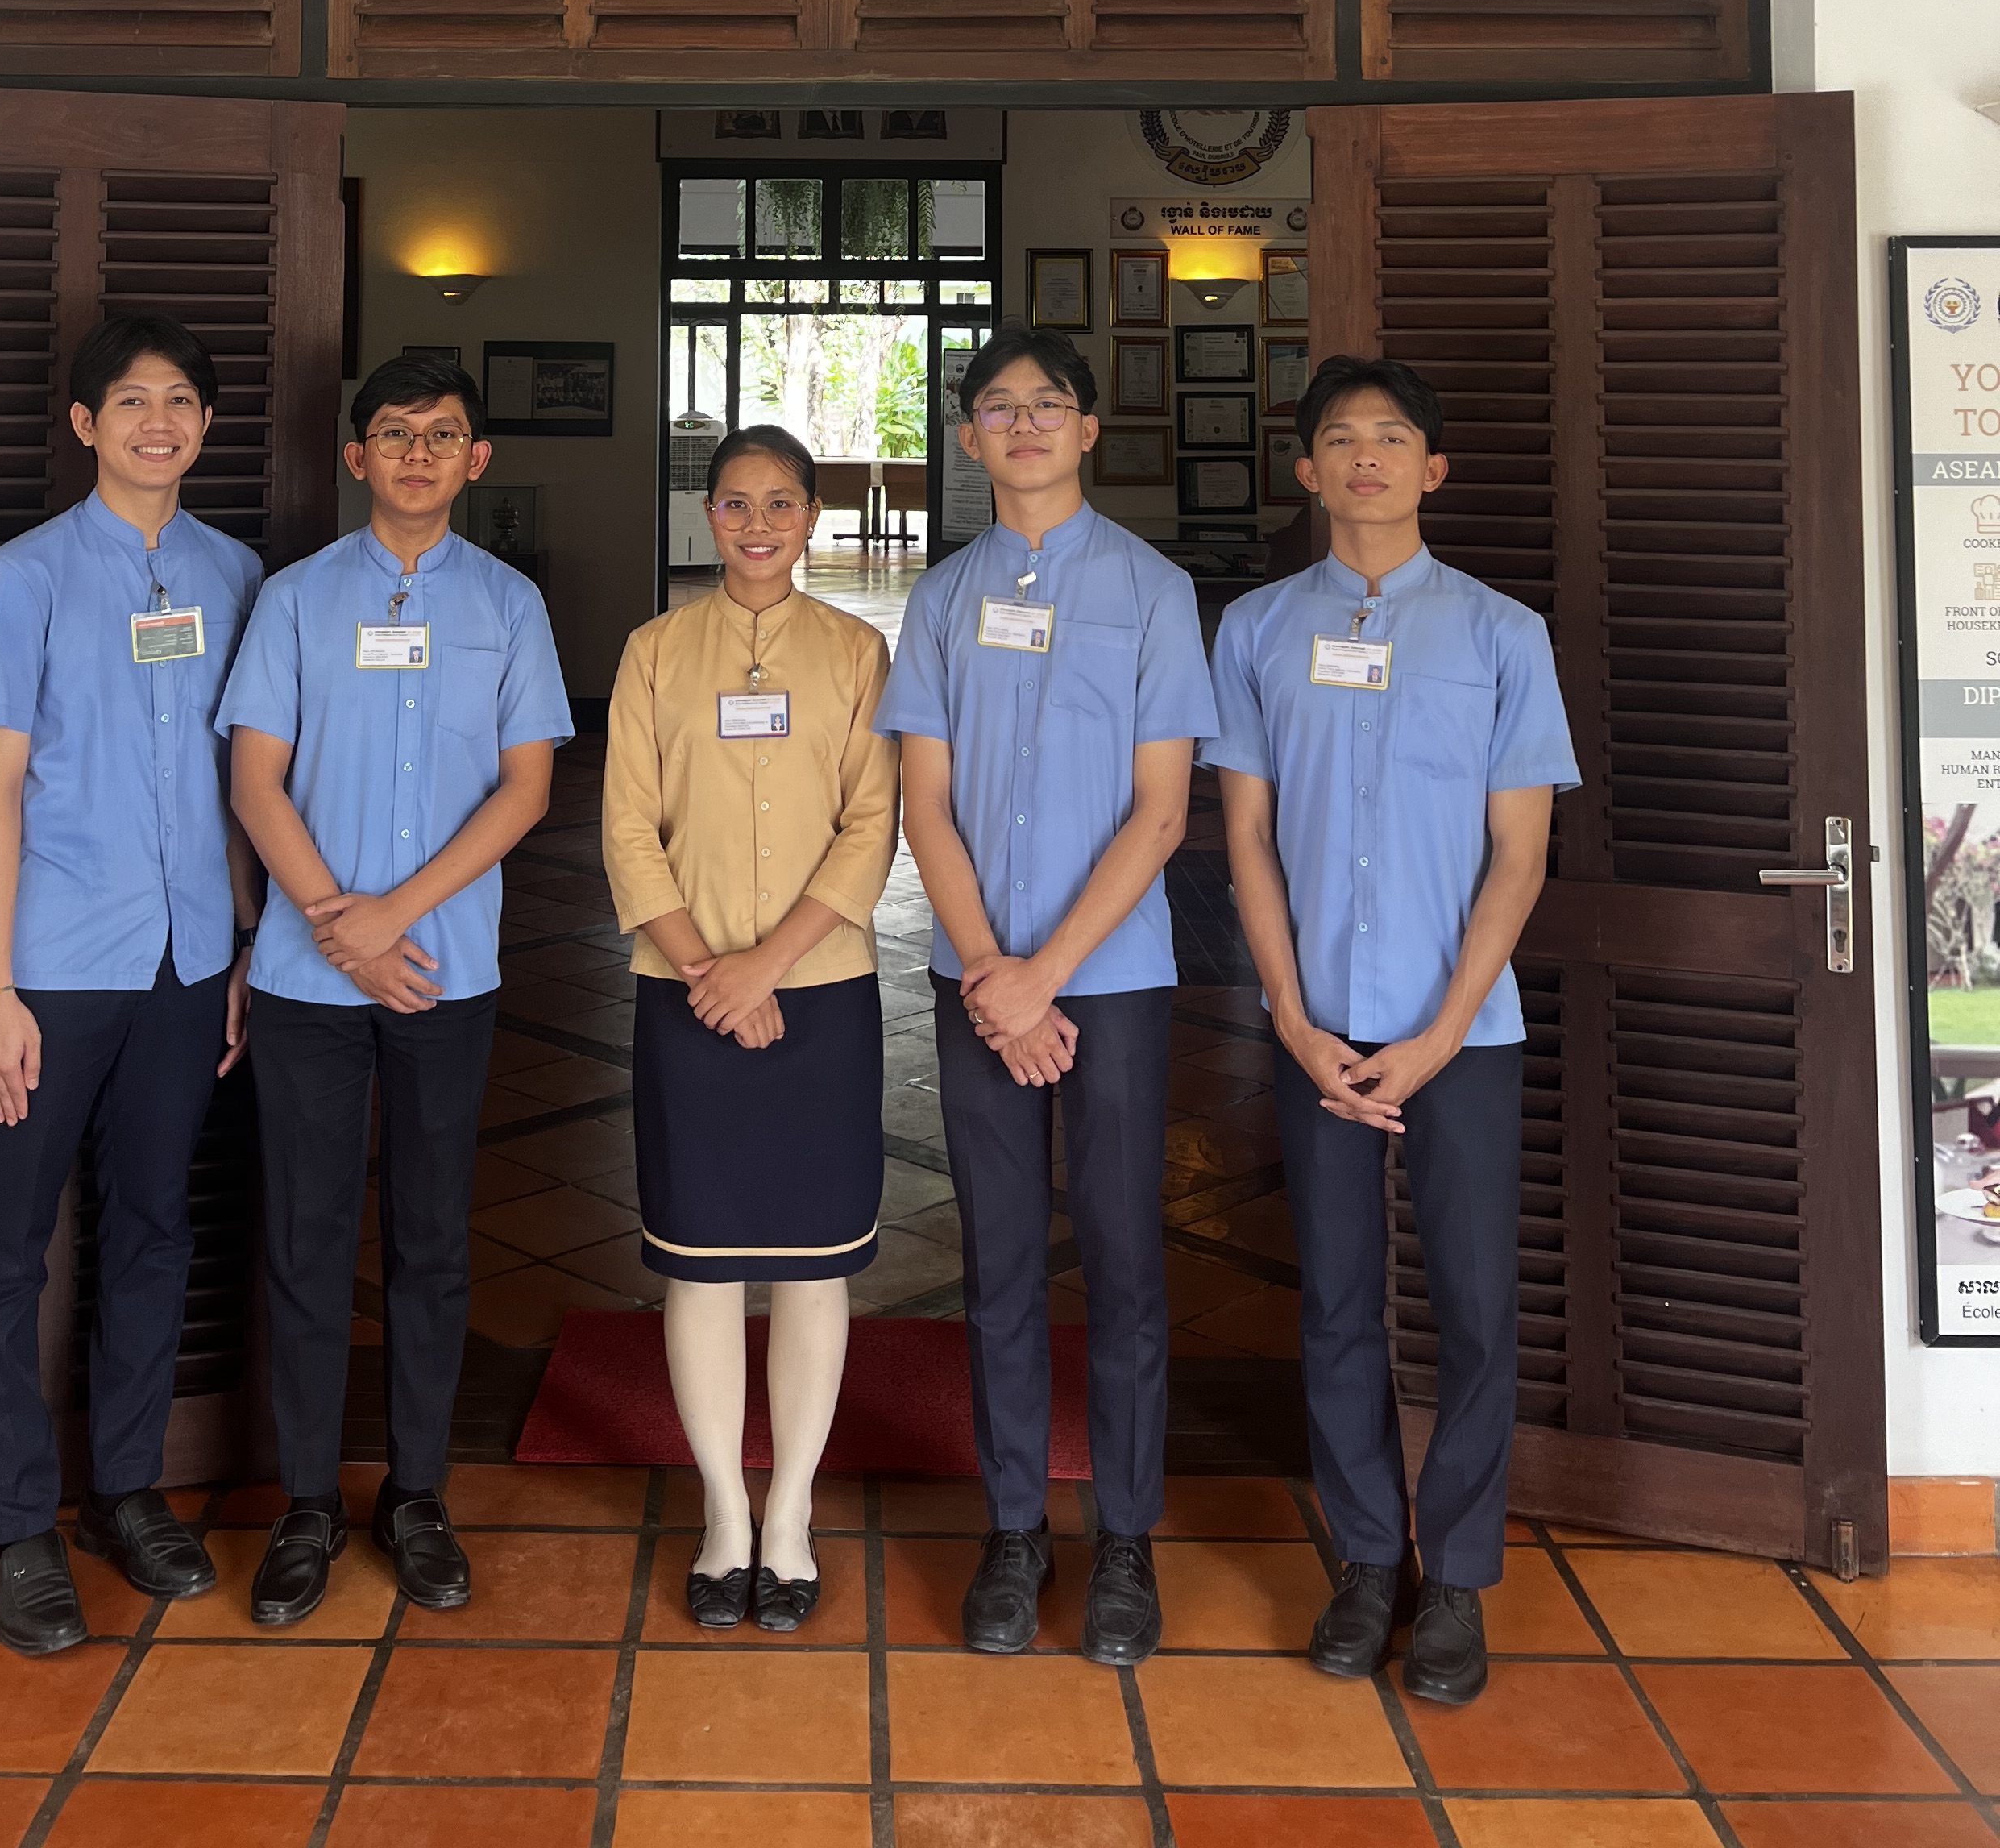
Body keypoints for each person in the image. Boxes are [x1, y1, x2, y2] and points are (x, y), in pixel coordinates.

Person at [1207, 354, 1579, 1709]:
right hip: (1315, 1035)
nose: (1362, 455)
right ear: (1303, 471)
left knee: (1476, 1307)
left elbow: (1518, 855)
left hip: (1460, 1038)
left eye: (1390, 436)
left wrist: (1438, 1029)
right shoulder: (1250, 628)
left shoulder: (1497, 634)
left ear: (1430, 468)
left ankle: (1458, 1577)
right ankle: (1366, 1558)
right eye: (1337, 438)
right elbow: (1242, 839)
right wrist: (1292, 1020)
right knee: (1334, 1302)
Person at [880, 323, 1214, 1669]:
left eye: (1047, 403)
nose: (1022, 423)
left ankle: (1123, 1540)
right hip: (978, 981)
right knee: (1000, 1262)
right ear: (966, 438)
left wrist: (1043, 975)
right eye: (996, 406)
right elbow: (924, 803)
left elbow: (1159, 812)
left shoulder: (1147, 589)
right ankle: (1014, 1527)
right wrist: (988, 975)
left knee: (1125, 1263)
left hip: (1109, 982)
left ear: (1086, 431)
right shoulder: (940, 598)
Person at [223, 351, 572, 1627]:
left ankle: (417, 1494)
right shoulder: (298, 600)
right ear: (357, 456)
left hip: (448, 972)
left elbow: (527, 789)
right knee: (309, 1242)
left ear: (477, 460)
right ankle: (309, 1501)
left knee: (431, 1242)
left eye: (442, 435)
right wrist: (334, 925)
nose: (418, 454)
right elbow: (256, 780)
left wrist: (393, 921)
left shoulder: (511, 606)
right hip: (311, 988)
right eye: (394, 433)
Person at [0, 314, 263, 1657]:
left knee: (152, 1227)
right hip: (53, 967)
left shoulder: (237, 572)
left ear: (203, 424)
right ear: (85, 423)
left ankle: (125, 1489)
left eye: (180, 399)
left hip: (188, 957)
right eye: (130, 399)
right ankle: (16, 1523)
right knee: (4, 1251)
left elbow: (244, 782)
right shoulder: (19, 578)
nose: (157, 420)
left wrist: (242, 948)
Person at [602, 422, 899, 1633]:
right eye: (736, 503)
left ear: (813, 518)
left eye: (782, 502)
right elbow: (626, 828)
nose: (760, 523)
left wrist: (765, 967)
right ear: (706, 516)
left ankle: (793, 1514)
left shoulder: (857, 652)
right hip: (685, 994)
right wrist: (704, 969)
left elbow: (873, 826)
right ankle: (726, 1511)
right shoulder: (657, 652)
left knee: (815, 1263)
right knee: (703, 1260)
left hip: (821, 991)